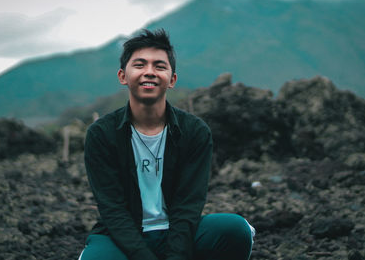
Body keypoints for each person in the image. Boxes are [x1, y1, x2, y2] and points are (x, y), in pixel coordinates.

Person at [80, 28, 254, 260]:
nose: (149, 72)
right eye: (140, 65)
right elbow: (113, 210)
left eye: (159, 66)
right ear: (123, 76)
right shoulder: (102, 134)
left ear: (172, 80)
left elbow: (188, 206)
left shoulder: (194, 131)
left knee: (234, 229)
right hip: (122, 237)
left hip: (178, 232)